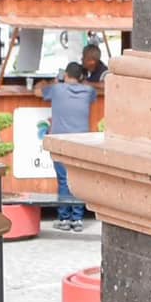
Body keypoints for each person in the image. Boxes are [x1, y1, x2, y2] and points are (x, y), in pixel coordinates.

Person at [40, 61, 99, 231]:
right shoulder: (89, 91)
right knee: (79, 178)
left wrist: (54, 82)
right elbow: (93, 95)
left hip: (60, 142)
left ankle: (64, 218)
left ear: (65, 75)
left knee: (64, 180)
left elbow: (38, 91)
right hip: (82, 141)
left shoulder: (57, 90)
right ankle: (78, 219)